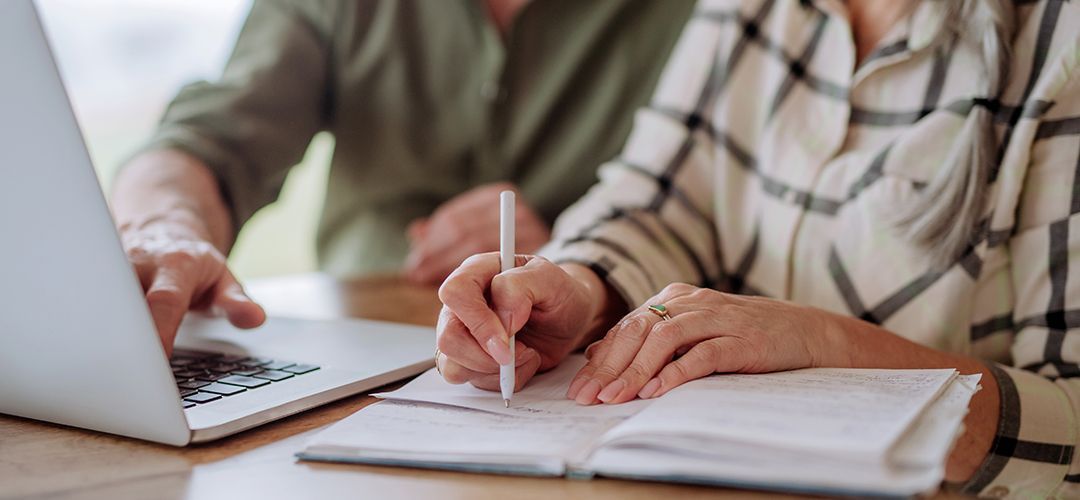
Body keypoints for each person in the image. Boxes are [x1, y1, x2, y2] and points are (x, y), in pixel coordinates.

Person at [435, 0, 1080, 496]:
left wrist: (825, 343)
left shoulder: (1061, 38)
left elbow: (1071, 422)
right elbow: (654, 202)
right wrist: (575, 290)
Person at [109, 0, 695, 353]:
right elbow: (209, 138)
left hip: (583, 358)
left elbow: (728, 210)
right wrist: (165, 226)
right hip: (352, 356)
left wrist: (576, 249)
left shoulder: (709, 18)